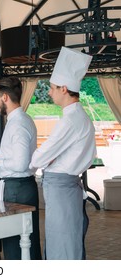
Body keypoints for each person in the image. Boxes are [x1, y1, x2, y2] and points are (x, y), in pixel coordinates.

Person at [29, 47, 95, 260]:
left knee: (63, 248)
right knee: (66, 243)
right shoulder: (80, 116)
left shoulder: (69, 120)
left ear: (64, 89)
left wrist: (49, 158)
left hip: (61, 189)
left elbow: (38, 158)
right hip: (67, 188)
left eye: (52, 88)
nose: (49, 92)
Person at [0, 77, 42, 260]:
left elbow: (21, 164)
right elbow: (18, 156)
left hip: (17, 189)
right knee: (26, 240)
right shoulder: (22, 119)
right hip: (19, 186)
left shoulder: (18, 124)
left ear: (5, 97)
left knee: (16, 244)